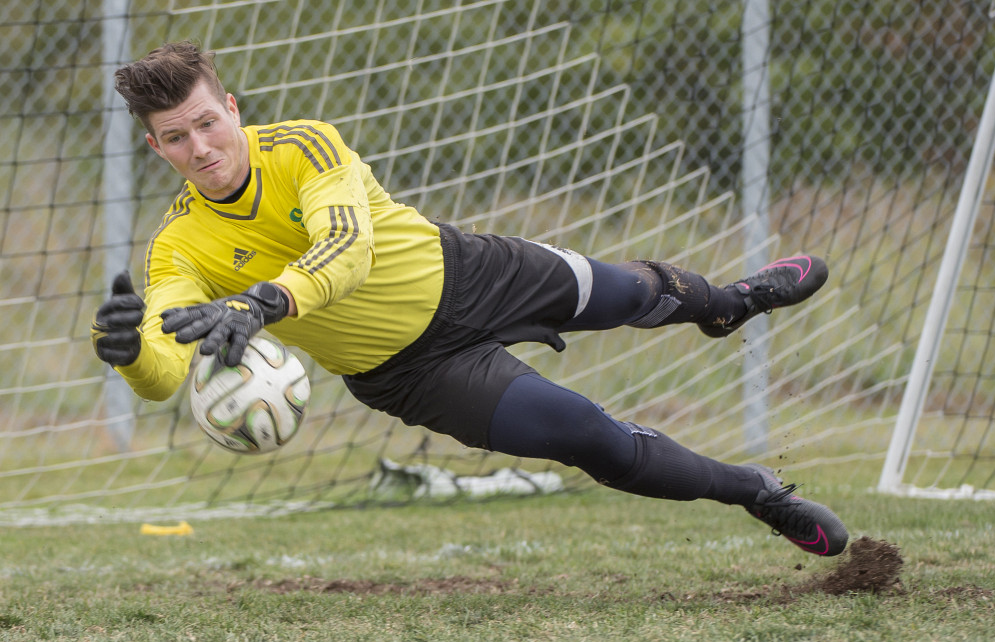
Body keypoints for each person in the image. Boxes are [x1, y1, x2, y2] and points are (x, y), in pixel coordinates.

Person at [92, 41, 848, 556]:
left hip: (471, 273)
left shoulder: (305, 146)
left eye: (207, 123)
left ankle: (727, 304)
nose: (201, 148)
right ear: (155, 148)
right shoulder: (177, 246)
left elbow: (346, 248)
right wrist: (131, 355)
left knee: (635, 291)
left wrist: (260, 303)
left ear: (231, 107)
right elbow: (167, 367)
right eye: (177, 138)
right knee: (590, 437)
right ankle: (757, 492)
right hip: (412, 373)